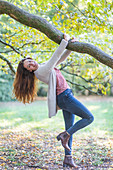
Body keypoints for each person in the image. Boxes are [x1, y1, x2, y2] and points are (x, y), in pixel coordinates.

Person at [13, 34, 94, 168]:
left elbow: (60, 59)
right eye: (29, 65)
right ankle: (65, 135)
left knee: (70, 128)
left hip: (64, 98)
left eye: (30, 60)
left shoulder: (43, 67)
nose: (32, 62)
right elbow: (55, 56)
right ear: (29, 70)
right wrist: (65, 40)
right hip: (66, 98)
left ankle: (68, 158)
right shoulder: (41, 71)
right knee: (89, 118)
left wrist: (70, 47)